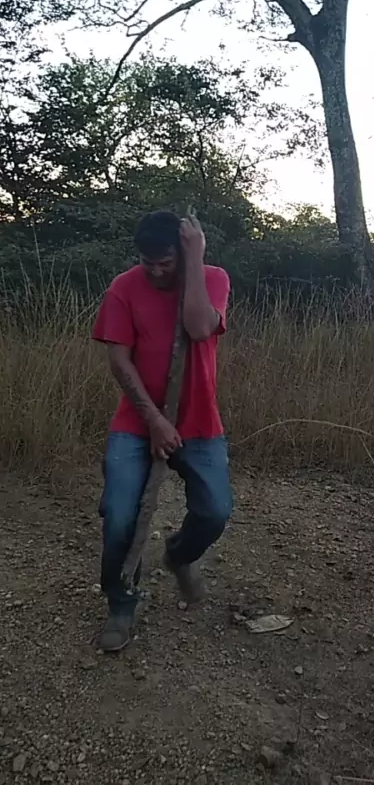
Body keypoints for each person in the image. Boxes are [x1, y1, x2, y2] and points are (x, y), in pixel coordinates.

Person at [92, 209, 233, 652]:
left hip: (199, 422)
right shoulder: (123, 287)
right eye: (147, 262)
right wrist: (154, 420)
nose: (155, 271)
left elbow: (199, 328)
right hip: (137, 423)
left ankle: (179, 555)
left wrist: (195, 259)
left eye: (165, 262)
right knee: (120, 516)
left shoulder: (212, 278)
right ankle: (121, 603)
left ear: (183, 253)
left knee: (214, 512)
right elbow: (119, 360)